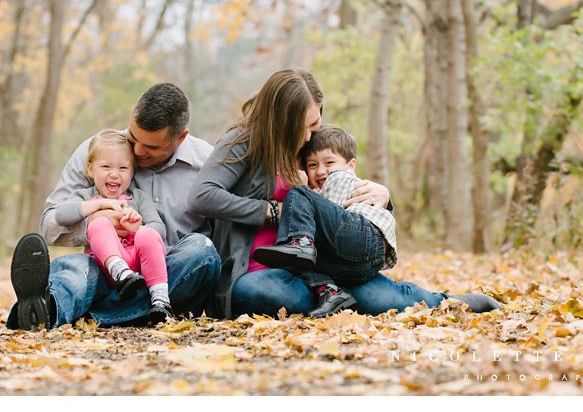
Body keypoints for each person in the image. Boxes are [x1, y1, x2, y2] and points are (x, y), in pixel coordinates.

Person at [190, 68, 501, 320]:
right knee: (254, 291)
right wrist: (272, 211)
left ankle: (449, 302)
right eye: (305, 126)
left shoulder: (304, 146)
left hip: (322, 263)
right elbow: (203, 195)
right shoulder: (243, 141)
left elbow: (338, 178)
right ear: (285, 120)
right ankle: (335, 297)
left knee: (381, 300)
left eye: (315, 124)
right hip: (261, 270)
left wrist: (381, 194)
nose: (310, 135)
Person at [6, 83, 221, 330]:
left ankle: (90, 313)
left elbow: (226, 235)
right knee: (77, 269)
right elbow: (49, 225)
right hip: (106, 267)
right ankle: (44, 310)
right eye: (133, 138)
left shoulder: (208, 163)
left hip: (170, 274)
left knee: (202, 251)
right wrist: (95, 222)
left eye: (152, 147)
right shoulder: (99, 152)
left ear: (180, 137)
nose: (137, 151)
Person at [253, 124, 398, 317]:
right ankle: (331, 291)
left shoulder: (341, 178)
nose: (321, 171)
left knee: (298, 194)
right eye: (312, 165)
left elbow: (334, 212)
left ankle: (301, 242)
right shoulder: (324, 187)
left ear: (351, 165)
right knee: (299, 261)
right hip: (355, 263)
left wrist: (304, 194)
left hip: (362, 237)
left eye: (329, 162)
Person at [59, 129, 173, 322]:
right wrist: (99, 205)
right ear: (90, 169)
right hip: (104, 266)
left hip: (140, 265)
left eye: (123, 168)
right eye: (105, 166)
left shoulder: (137, 197)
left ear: (132, 172)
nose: (114, 174)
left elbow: (159, 228)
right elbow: (61, 215)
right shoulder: (86, 196)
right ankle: (120, 272)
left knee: (148, 235)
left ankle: (160, 300)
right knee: (99, 223)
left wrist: (136, 228)